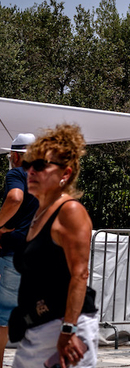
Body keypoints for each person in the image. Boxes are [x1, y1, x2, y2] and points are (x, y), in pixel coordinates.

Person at [10, 124, 97, 368]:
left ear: (65, 174)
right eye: (27, 164)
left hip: (64, 327)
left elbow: (80, 274)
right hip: (38, 328)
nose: (30, 171)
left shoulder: (70, 211)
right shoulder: (40, 213)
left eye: (39, 165)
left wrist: (69, 330)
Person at [0, 133, 39, 364]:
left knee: (3, 318)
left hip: (16, 255)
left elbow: (15, 198)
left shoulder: (17, 173)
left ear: (16, 155)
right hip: (43, 256)